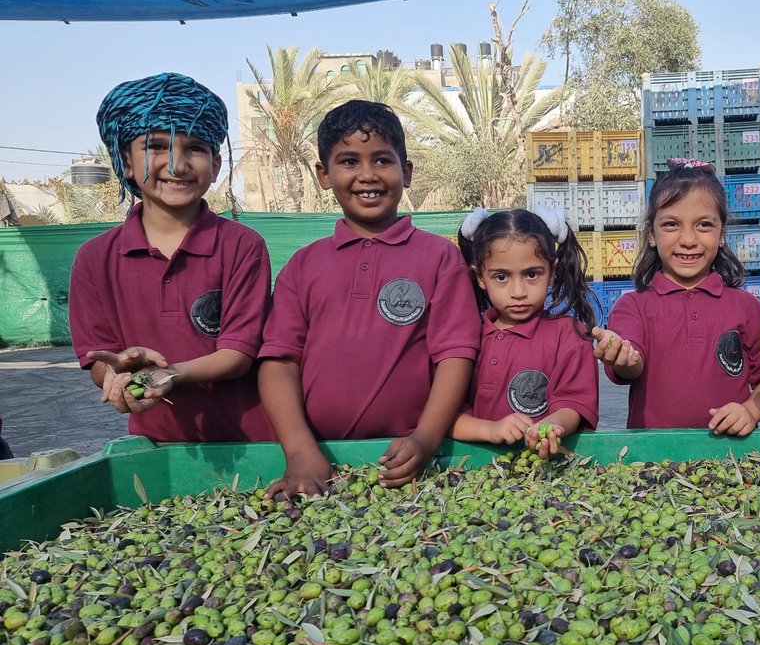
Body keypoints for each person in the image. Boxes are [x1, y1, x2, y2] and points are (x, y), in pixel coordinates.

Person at [260, 100, 480, 496]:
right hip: (320, 464)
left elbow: (455, 356)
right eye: (348, 162)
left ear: (406, 172)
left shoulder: (439, 257)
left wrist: (426, 440)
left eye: (382, 160)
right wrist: (300, 452)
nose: (367, 175)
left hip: (411, 462)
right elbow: (279, 362)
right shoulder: (302, 266)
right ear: (324, 175)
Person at [68, 72, 273, 442]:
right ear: (126, 162)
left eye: (194, 148)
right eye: (156, 146)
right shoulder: (94, 259)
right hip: (157, 447)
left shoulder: (243, 246)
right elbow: (100, 359)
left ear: (215, 164)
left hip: (253, 440)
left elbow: (238, 353)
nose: (176, 165)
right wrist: (122, 375)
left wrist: (169, 372)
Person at [594, 159, 760, 433]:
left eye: (704, 225)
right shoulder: (633, 306)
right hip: (652, 461)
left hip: (731, 460)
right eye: (671, 224)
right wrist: (624, 358)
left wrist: (750, 411)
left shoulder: (746, 307)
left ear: (722, 233)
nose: (688, 239)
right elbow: (630, 364)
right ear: (651, 234)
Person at [452, 207, 600, 458]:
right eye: (501, 277)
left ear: (552, 271)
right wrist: (490, 430)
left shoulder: (570, 335)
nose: (518, 291)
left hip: (546, 471)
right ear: (479, 277)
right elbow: (444, 414)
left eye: (532, 274)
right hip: (470, 473)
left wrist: (550, 427)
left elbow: (573, 404)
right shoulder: (463, 337)